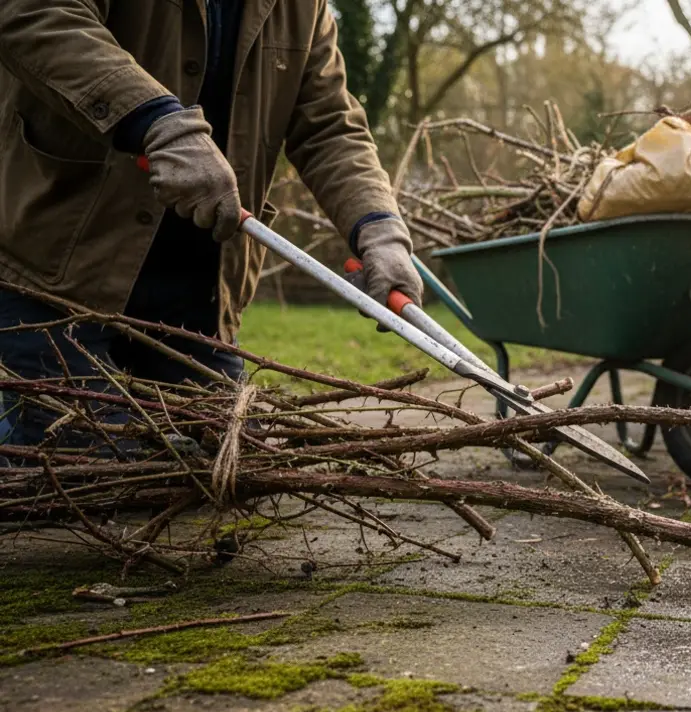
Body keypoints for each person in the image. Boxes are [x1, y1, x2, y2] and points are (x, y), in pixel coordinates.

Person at [0, 1, 423, 450]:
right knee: (97, 461)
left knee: (230, 459)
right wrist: (154, 119)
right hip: (54, 278)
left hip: (192, 303)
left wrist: (378, 227)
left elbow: (329, 125)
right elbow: (34, 11)